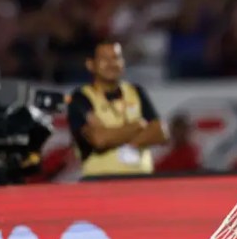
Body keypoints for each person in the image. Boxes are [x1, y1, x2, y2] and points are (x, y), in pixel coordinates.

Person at [67, 41, 168, 178]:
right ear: (90, 65)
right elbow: (99, 139)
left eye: (116, 58)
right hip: (100, 183)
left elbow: (161, 132)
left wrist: (131, 145)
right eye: (104, 59)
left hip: (142, 181)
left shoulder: (136, 92)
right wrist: (138, 126)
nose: (111, 64)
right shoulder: (81, 98)